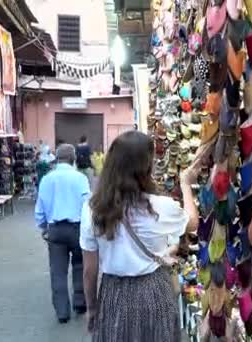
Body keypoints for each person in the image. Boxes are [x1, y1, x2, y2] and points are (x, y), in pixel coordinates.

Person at [80, 131, 205, 341]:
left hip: (114, 295)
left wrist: (92, 308)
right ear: (145, 167)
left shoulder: (93, 209)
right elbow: (193, 222)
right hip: (154, 291)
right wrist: (185, 184)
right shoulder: (160, 207)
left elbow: (89, 270)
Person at [35, 144, 91, 324]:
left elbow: (40, 207)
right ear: (73, 158)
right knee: (79, 265)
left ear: (56, 158)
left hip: (55, 230)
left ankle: (62, 311)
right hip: (77, 229)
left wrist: (44, 227)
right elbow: (87, 204)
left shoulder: (47, 179)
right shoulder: (80, 178)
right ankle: (80, 302)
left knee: (58, 271)